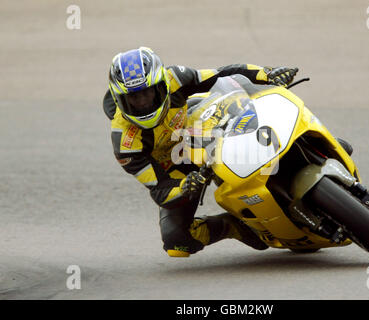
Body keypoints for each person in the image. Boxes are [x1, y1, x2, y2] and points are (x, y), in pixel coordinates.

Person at [103, 46, 300, 257]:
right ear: (119, 99)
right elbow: (159, 189)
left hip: (202, 128)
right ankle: (234, 226)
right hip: (178, 171)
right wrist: (185, 188)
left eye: (147, 93)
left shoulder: (174, 78)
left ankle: (292, 149)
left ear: (161, 84)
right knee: (176, 242)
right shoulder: (125, 143)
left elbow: (221, 74)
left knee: (253, 118)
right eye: (134, 98)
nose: (143, 103)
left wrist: (267, 74)